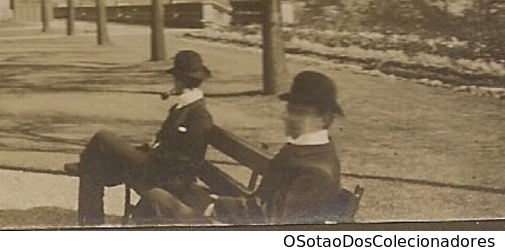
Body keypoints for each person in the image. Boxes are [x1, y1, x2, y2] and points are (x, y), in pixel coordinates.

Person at [137, 70, 344, 226]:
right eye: (289, 109)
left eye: (297, 112)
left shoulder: (317, 171)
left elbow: (268, 217)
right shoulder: (304, 150)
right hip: (246, 221)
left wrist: (212, 205)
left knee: (159, 200)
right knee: (157, 197)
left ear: (324, 118)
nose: (285, 116)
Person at [63, 49, 213, 227]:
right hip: (155, 165)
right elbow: (165, 142)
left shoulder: (198, 115)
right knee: (93, 168)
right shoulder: (183, 107)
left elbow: (191, 160)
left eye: (175, 79)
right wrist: (147, 150)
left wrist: (154, 155)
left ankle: (91, 219)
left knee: (102, 138)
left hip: (165, 173)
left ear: (181, 80)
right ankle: (92, 224)